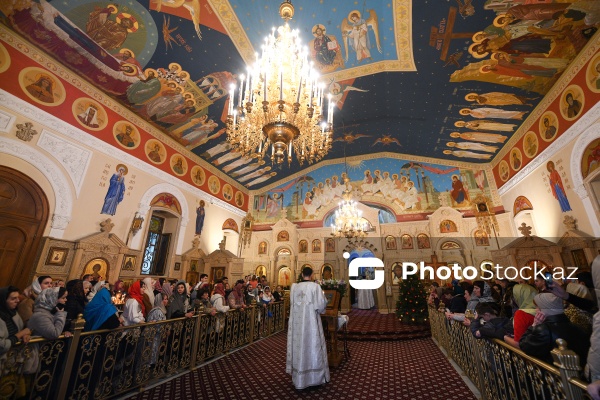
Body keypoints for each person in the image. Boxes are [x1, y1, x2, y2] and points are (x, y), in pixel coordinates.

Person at [286, 266, 330, 390]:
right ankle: (314, 377)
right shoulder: (315, 287)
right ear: (311, 275)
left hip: (297, 324)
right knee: (312, 345)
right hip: (310, 323)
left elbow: (292, 303)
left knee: (299, 346)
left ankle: (299, 378)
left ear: (301, 274)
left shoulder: (294, 287)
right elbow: (321, 305)